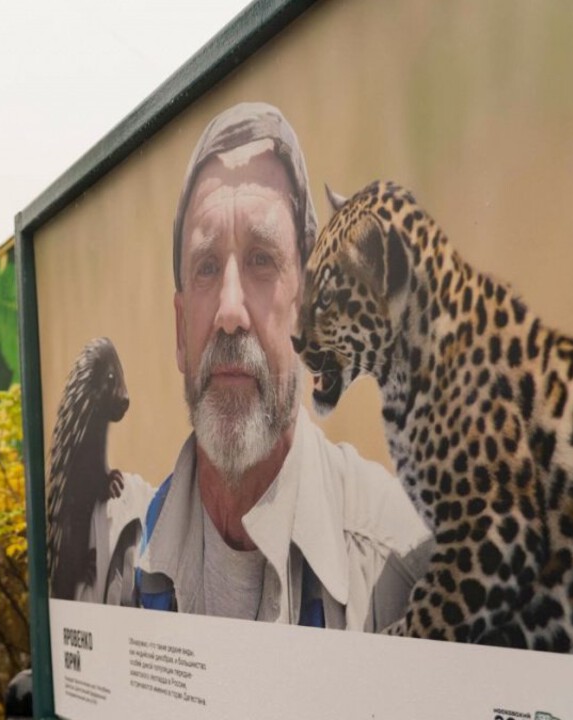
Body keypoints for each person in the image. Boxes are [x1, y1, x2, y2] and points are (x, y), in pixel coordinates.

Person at [135, 102, 432, 631]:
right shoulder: (124, 564)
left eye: (262, 260)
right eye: (206, 267)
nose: (230, 312)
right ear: (181, 331)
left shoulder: (403, 567)